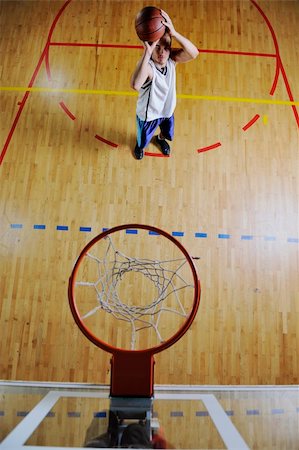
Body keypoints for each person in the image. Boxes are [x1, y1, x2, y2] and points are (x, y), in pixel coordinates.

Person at [130, 10, 199, 160]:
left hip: (167, 111)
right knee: (142, 142)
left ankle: (160, 139)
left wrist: (174, 33)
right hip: (148, 115)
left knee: (167, 134)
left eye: (166, 48)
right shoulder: (147, 66)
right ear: (150, 46)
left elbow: (194, 53)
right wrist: (147, 53)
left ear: (170, 50)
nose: (162, 52)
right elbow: (135, 85)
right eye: (157, 47)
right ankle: (139, 145)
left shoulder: (172, 61)